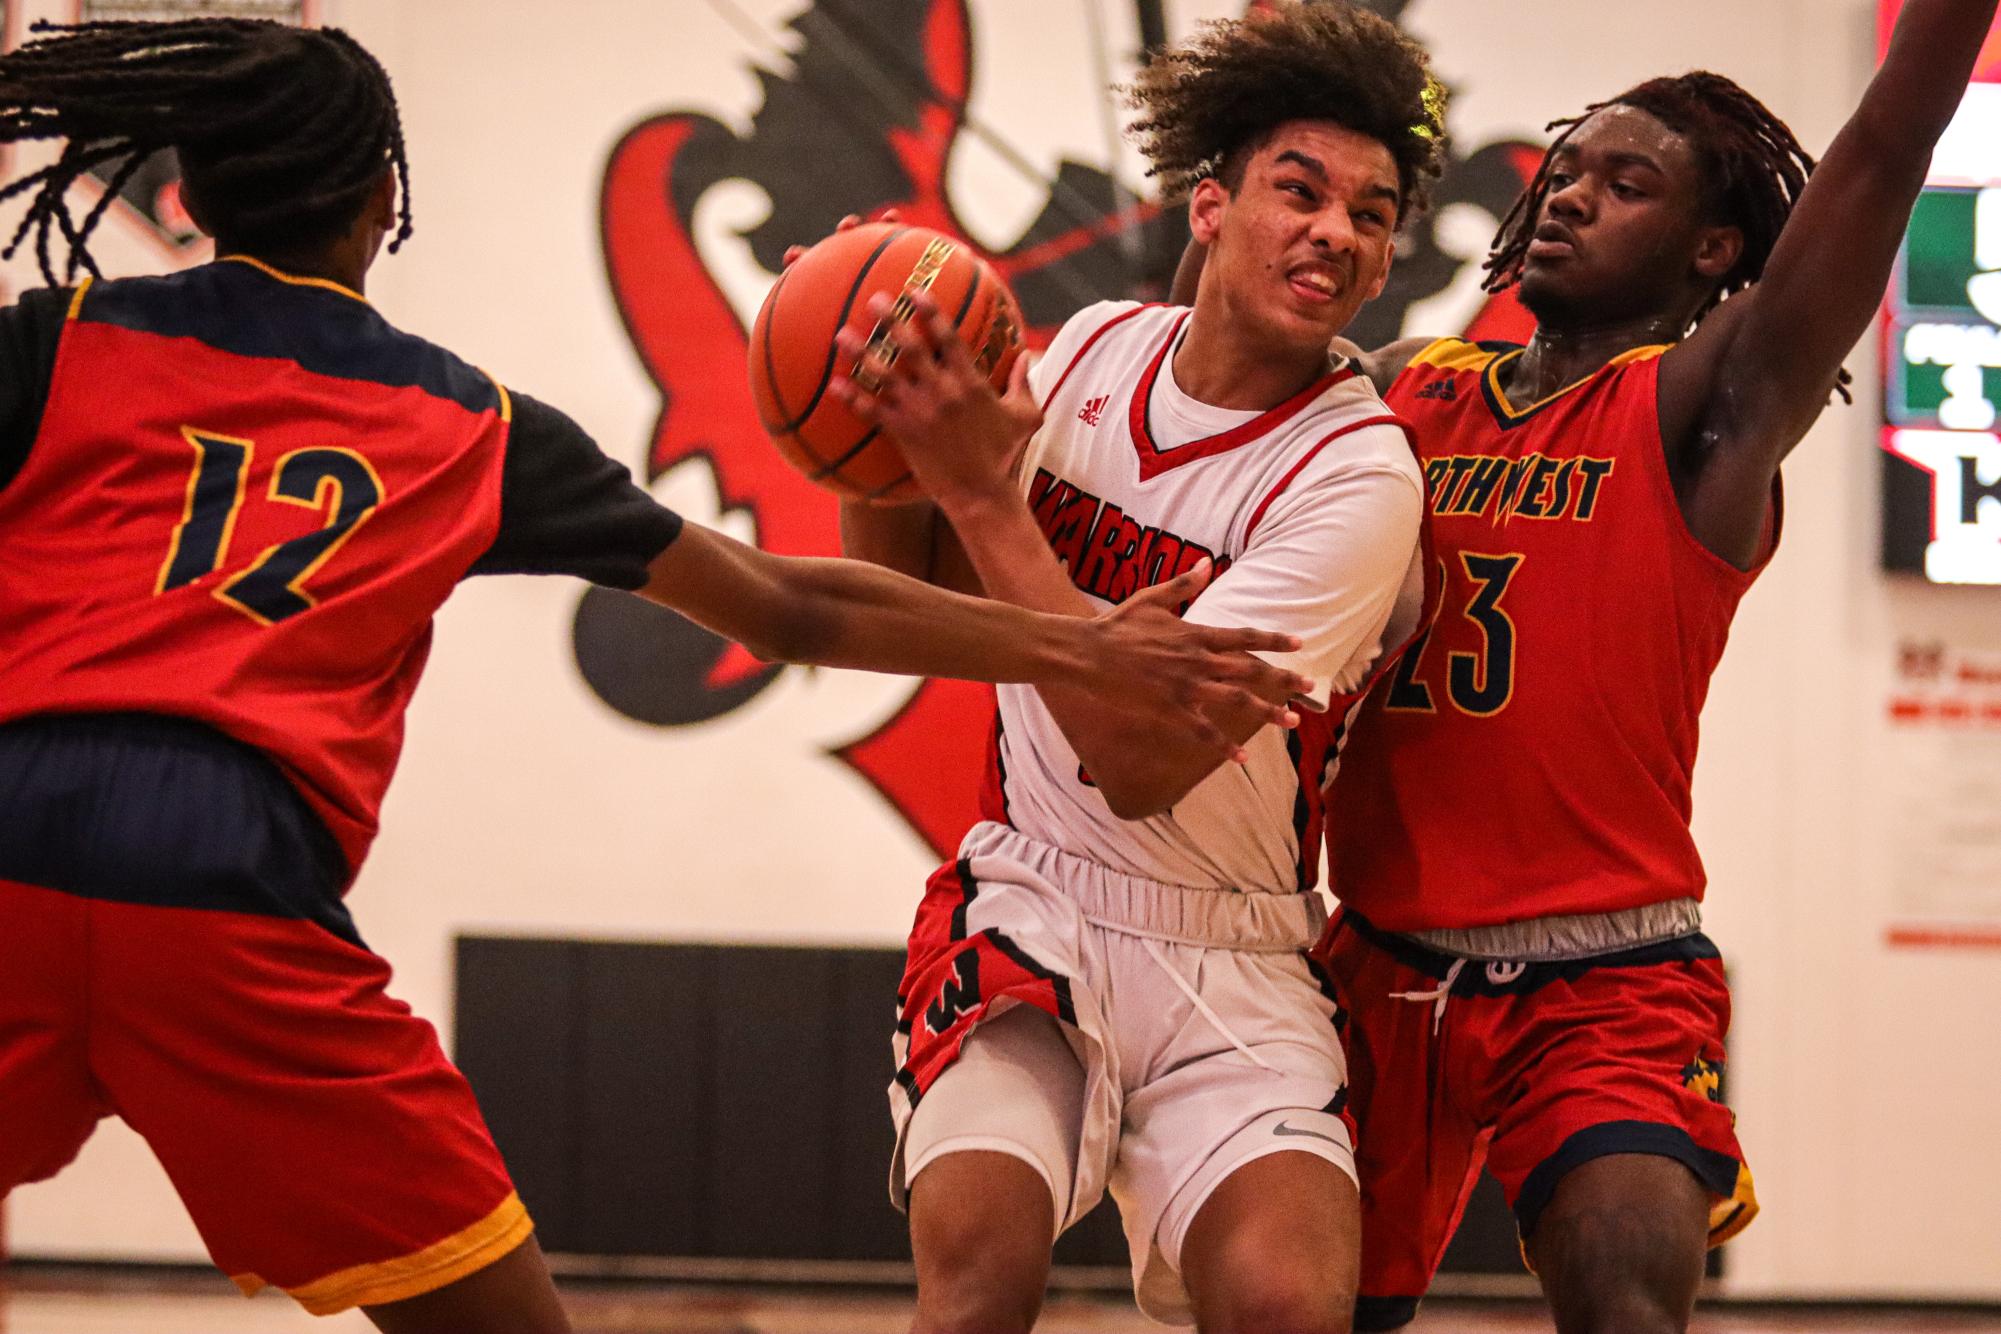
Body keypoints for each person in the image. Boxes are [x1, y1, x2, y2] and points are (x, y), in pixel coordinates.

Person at [0, 19, 1313, 1334]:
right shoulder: (464, 421)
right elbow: (791, 601)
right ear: (383, 197)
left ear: (194, 190)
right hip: (231, 888)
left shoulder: (49, 346)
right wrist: (1082, 639)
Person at [1179, 2, 2001, 1330]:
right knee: (1290, 1315)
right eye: (1565, 172)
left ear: (1713, 246)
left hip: (1600, 980)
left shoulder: (1703, 408)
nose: (1566, 199)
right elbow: (1215, 352)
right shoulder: (1400, 388)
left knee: (1626, 1307)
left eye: (1626, 186)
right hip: (1371, 954)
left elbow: (1879, 157)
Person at [834, 6, 1443, 1330]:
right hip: (1033, 903)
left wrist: (989, 504)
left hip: (1233, 948)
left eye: (1373, 213)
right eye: (1301, 191)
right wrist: (872, 423)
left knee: (1285, 1307)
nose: (1337, 232)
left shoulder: (1354, 476)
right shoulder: (1096, 350)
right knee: (978, 1285)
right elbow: (903, 605)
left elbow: (1141, 758)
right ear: (1208, 204)